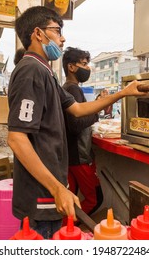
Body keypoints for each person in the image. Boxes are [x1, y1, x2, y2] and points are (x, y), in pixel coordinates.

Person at [7, 6, 145, 239]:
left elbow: (78, 109)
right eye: (57, 30)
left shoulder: (47, 72)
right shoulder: (31, 70)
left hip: (49, 186)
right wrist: (57, 188)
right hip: (39, 191)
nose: (62, 38)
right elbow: (17, 138)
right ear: (38, 34)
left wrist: (122, 93)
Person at [62, 47, 103, 221]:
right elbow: (76, 125)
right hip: (79, 156)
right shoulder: (73, 89)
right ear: (71, 67)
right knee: (95, 199)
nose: (88, 68)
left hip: (70, 156)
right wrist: (97, 111)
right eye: (84, 64)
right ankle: (68, 228)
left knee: (73, 198)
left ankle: (65, 230)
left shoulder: (67, 88)